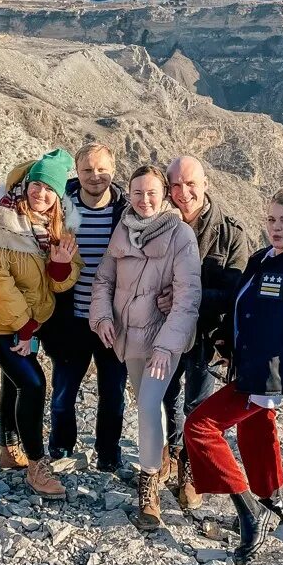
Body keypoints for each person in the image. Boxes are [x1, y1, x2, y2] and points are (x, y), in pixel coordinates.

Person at [184, 187, 283, 563]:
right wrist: (227, 342)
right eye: (272, 219)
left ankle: (248, 510)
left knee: (199, 427)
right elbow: (241, 304)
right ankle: (270, 504)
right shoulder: (261, 258)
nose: (277, 227)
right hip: (244, 363)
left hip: (268, 371)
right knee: (256, 429)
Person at [90, 165, 202, 531]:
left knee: (150, 404)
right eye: (137, 193)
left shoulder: (181, 234)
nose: (144, 200)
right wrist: (102, 317)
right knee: (146, 403)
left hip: (161, 340)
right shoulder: (122, 228)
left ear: (164, 195)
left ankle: (149, 485)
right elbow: (104, 279)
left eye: (152, 192)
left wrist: (167, 347)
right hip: (127, 338)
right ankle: (165, 458)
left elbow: (187, 299)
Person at [0, 149, 83, 499]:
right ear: (25, 184)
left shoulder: (57, 226)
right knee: (33, 383)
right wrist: (24, 326)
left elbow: (63, 281)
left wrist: (60, 266)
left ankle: (9, 448)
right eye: (36, 184)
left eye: (49, 189)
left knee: (14, 379)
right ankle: (36, 463)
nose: (40, 193)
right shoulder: (1, 223)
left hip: (30, 322)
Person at [160, 155, 249, 510]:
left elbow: (236, 290)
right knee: (164, 397)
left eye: (191, 183)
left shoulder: (231, 234)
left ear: (205, 184)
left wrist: (187, 298)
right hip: (164, 330)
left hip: (207, 336)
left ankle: (192, 470)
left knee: (197, 403)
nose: (184, 192)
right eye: (176, 185)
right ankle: (168, 452)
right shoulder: (156, 226)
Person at [42, 142, 130, 471]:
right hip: (70, 320)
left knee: (113, 393)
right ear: (76, 173)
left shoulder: (126, 211)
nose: (95, 176)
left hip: (112, 320)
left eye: (102, 169)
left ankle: (109, 455)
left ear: (113, 169)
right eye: (87, 170)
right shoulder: (60, 208)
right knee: (64, 392)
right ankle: (62, 450)